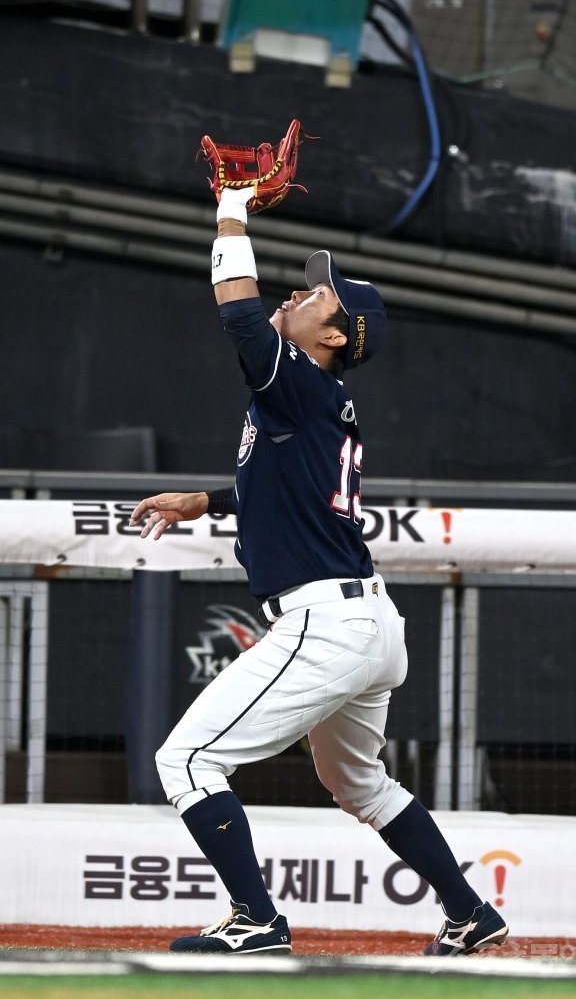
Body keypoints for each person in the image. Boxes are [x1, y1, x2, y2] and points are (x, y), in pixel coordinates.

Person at [130, 182, 508, 957]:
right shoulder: (313, 398)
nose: (299, 293)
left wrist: (231, 209)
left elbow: (238, 312)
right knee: (360, 784)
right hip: (366, 620)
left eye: (318, 295)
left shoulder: (298, 383)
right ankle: (470, 912)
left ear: (334, 335)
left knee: (188, 759)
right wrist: (206, 499)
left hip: (326, 624)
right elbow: (288, 491)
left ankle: (256, 919)